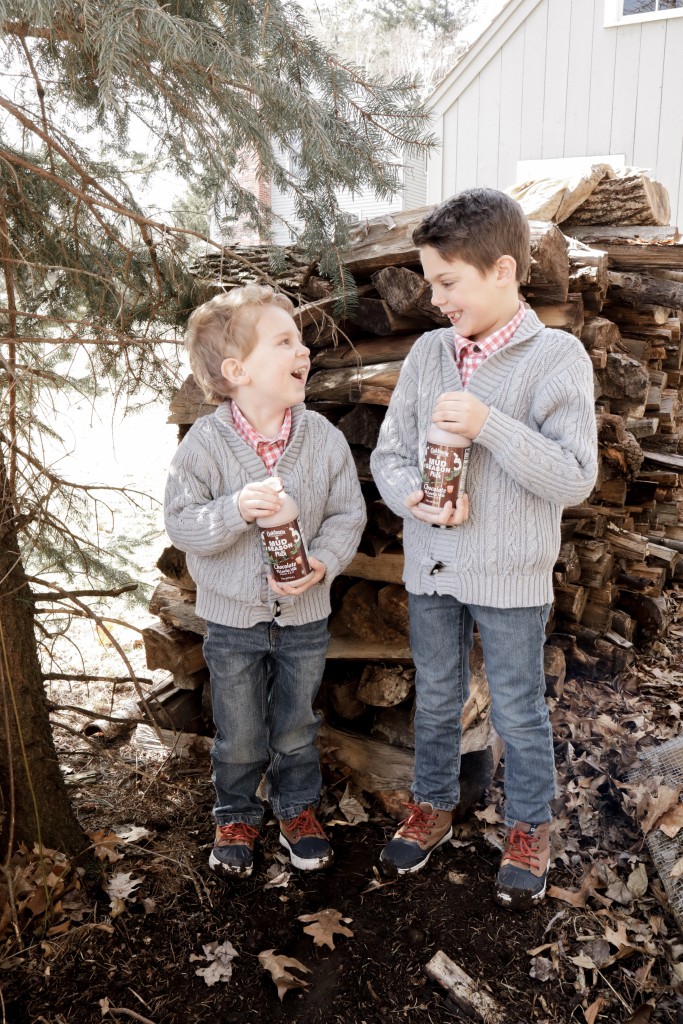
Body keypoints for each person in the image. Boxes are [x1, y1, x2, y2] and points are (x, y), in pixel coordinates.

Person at [370, 188, 598, 910]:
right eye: (431, 282)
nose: (436, 299)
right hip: (432, 563)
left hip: (510, 572)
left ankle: (529, 824)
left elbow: (573, 477)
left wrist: (488, 424)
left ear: (501, 270)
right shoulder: (428, 354)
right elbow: (390, 454)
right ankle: (433, 802)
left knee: (519, 709)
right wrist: (413, 494)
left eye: (447, 282)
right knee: (436, 698)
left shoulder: (556, 357)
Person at [165, 284, 366, 878]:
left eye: (300, 341)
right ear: (237, 371)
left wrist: (323, 563)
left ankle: (297, 808)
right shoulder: (204, 445)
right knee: (241, 732)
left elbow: (347, 514)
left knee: (298, 723)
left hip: (305, 617)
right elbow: (182, 523)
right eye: (284, 342)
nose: (301, 352)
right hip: (231, 621)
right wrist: (235, 509)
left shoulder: (323, 439)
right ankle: (235, 812)